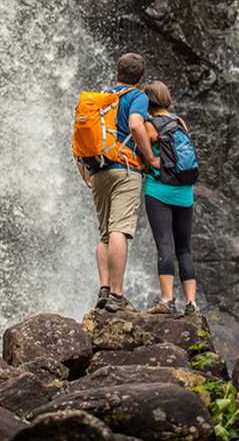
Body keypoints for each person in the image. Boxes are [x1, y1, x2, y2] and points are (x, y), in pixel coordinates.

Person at [78, 53, 157, 313]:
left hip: (98, 170)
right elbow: (136, 125)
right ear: (140, 77)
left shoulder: (101, 99)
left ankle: (103, 288)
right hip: (126, 168)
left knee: (103, 233)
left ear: (116, 72)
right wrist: (150, 158)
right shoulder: (137, 97)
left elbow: (82, 136)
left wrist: (86, 172)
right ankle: (116, 294)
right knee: (119, 230)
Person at [143, 80, 198, 316]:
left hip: (159, 191)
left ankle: (167, 299)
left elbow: (144, 155)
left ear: (148, 102)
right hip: (185, 192)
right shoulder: (180, 122)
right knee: (184, 248)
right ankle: (192, 304)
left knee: (165, 244)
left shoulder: (148, 125)